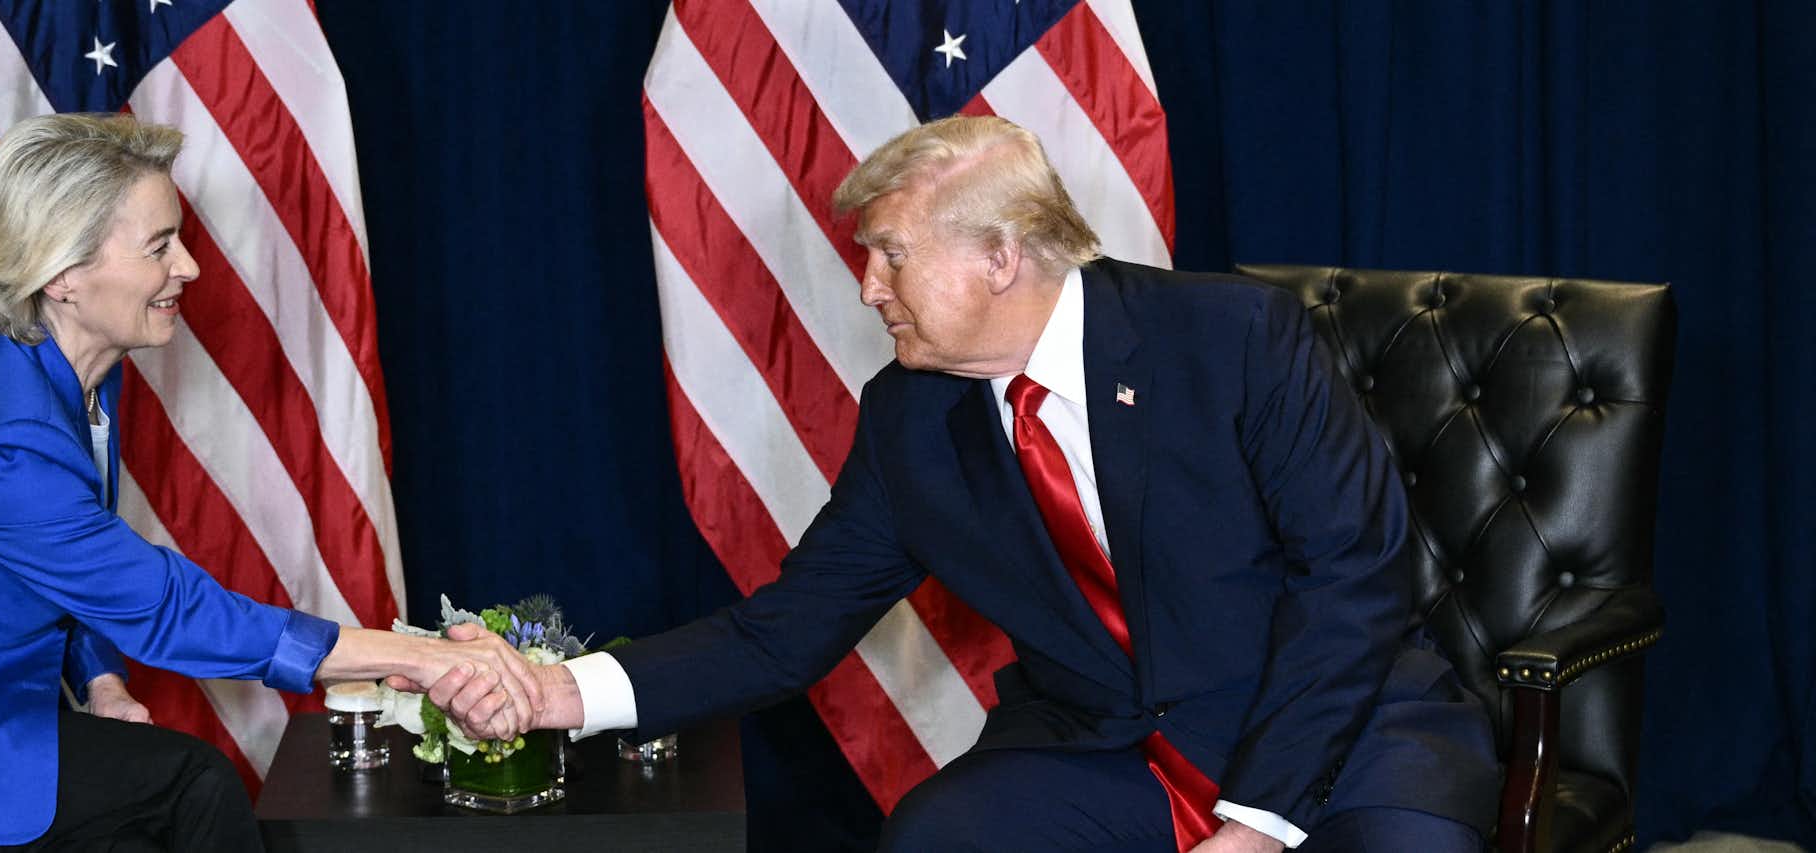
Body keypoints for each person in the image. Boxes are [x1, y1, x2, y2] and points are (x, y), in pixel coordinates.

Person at [517, 116, 1498, 851]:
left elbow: (1353, 585)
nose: (867, 287)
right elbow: (781, 633)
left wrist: (1255, 822)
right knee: (941, 834)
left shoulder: (1233, 338)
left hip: (1338, 732)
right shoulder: (910, 416)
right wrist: (555, 692)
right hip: (1106, 751)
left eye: (890, 254)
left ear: (1000, 254)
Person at [0, 113, 537, 852]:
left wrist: (103, 679)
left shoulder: (80, 373)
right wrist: (413, 657)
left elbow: (64, 563)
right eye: (159, 246)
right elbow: (162, 606)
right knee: (194, 787)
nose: (188, 266)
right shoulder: (13, 437)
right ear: (63, 276)